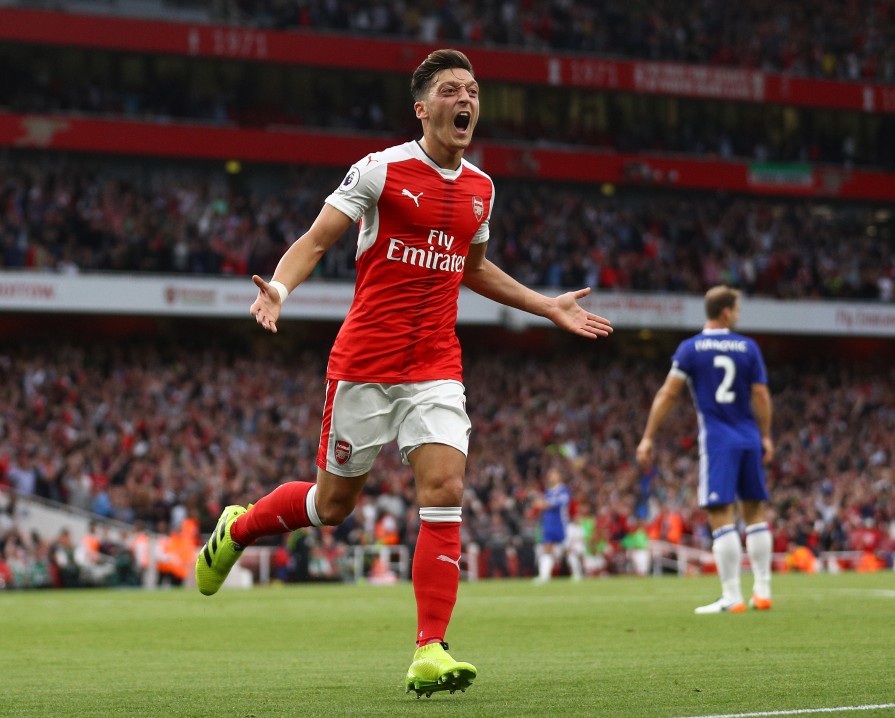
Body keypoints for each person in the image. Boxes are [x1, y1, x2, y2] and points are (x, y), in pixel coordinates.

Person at [194, 48, 613, 698]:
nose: (464, 99)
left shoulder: (482, 188)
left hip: (436, 366)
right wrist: (279, 287)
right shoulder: (381, 170)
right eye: (450, 89)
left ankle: (430, 649)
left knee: (445, 489)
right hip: (364, 363)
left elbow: (472, 269)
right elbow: (316, 240)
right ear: (423, 108)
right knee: (332, 507)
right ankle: (239, 525)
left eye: (471, 89)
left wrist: (544, 304)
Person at [635, 285, 774, 614]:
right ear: (726, 312)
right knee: (755, 513)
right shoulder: (748, 347)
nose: (738, 315)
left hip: (718, 441)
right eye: (737, 309)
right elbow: (761, 396)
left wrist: (649, 436)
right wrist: (765, 436)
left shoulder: (691, 349)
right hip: (749, 437)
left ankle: (732, 596)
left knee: (720, 514)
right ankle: (763, 592)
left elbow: (668, 394)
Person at [532, 466, 583, 583]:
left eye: (553, 474)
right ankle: (544, 576)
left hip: (560, 524)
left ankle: (577, 574)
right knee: (547, 549)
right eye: (550, 474)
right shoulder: (548, 492)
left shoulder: (564, 490)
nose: (550, 476)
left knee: (568, 550)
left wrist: (543, 504)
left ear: (559, 477)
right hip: (548, 524)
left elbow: (559, 504)